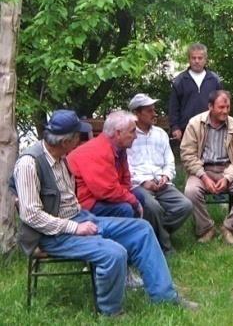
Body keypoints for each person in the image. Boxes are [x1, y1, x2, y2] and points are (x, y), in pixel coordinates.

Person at [11, 110, 198, 316]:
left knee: (142, 229)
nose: (82, 140)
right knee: (114, 253)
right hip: (52, 235)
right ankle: (112, 314)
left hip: (79, 218)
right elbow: (31, 215)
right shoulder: (29, 163)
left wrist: (82, 220)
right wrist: (76, 227)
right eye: (78, 136)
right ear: (66, 141)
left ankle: (165, 298)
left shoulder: (60, 157)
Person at [67, 110, 170, 254]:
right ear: (118, 133)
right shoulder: (100, 151)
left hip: (100, 196)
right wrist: (133, 202)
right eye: (132, 132)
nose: (135, 136)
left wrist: (133, 198)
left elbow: (125, 180)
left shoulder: (119, 149)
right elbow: (106, 190)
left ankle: (144, 244)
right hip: (84, 204)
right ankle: (122, 252)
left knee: (140, 196)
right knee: (125, 208)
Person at [181, 90, 233, 245]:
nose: (225, 111)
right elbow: (187, 154)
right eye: (221, 107)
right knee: (191, 191)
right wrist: (203, 176)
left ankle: (230, 227)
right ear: (210, 106)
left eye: (228, 107)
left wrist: (228, 177)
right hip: (202, 170)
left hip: (229, 170)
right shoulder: (195, 124)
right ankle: (206, 228)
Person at [127, 93, 193, 255]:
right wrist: (143, 182)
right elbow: (125, 167)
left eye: (154, 110)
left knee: (185, 206)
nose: (154, 114)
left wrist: (166, 176)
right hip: (138, 184)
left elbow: (169, 161)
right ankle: (165, 246)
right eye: (149, 111)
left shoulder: (160, 134)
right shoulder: (128, 135)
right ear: (137, 113)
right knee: (153, 207)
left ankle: (153, 235)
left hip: (161, 182)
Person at [169, 43, 222, 141]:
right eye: (193, 58)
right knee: (189, 156)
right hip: (187, 130)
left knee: (212, 156)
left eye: (200, 58)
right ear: (189, 59)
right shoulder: (180, 81)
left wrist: (222, 123)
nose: (196, 61)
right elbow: (174, 107)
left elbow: (221, 105)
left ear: (205, 59)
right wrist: (175, 127)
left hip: (211, 129)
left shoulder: (214, 80)